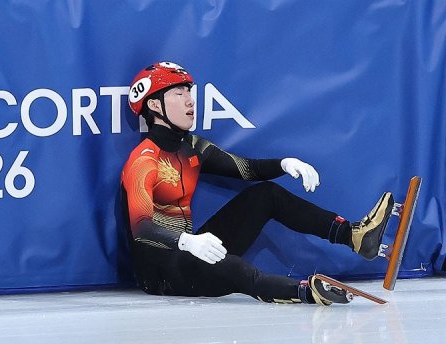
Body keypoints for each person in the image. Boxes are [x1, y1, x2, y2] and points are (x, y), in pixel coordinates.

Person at [121, 62, 394, 305]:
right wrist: (187, 242)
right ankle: (305, 292)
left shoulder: (192, 147)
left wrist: (284, 164)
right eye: (178, 94)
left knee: (266, 194)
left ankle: (354, 236)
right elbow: (141, 227)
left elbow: (246, 169)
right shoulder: (143, 160)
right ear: (155, 106)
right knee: (234, 268)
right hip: (160, 272)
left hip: (193, 249)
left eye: (189, 92)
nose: (190, 101)